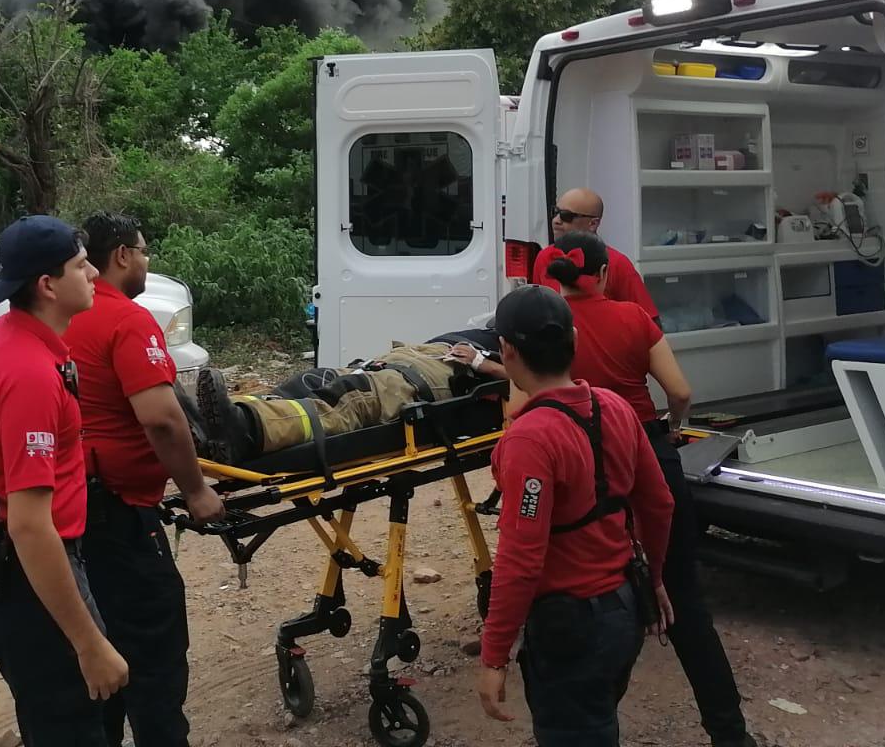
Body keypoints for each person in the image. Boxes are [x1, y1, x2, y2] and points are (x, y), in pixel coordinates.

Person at [529, 233, 759, 747]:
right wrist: (673, 427)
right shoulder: (634, 319)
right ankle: (731, 734)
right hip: (647, 454)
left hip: (587, 462)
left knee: (605, 597)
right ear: (607, 273)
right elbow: (680, 391)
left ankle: (591, 723)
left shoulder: (554, 331)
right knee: (686, 605)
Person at [475, 284, 675, 745]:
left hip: (571, 626)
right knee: (597, 717)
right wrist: (656, 578)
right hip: (625, 609)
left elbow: (520, 559)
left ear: (506, 351)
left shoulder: (529, 440)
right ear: (576, 342)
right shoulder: (617, 408)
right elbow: (659, 503)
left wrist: (494, 656)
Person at [0, 215, 126, 747]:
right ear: (48, 285)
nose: (95, 273)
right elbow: (30, 527)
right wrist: (88, 643)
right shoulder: (31, 372)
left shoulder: (5, 335)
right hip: (25, 577)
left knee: (61, 718)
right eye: (81, 266)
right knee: (74, 724)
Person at [66, 213, 225, 747]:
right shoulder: (126, 319)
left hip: (74, 509)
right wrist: (198, 489)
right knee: (154, 652)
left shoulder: (62, 318)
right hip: (121, 513)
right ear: (122, 256)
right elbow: (160, 418)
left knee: (100, 642)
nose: (147, 259)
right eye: (144, 250)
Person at [195, 339, 488, 464]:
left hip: (427, 380)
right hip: (405, 360)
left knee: (350, 397)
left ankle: (247, 429)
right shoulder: (496, 322)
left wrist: (481, 362)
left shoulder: (517, 340)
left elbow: (525, 382)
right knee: (311, 380)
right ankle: (208, 423)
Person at [535, 187, 660, 319]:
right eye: (555, 212)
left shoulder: (617, 264)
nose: (556, 220)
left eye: (567, 216)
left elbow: (650, 321)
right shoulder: (545, 257)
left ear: (593, 223)